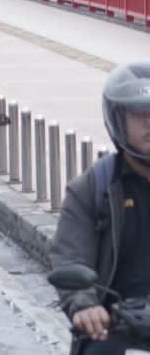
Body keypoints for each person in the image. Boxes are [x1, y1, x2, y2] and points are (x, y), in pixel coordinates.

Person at [50, 62, 150, 353]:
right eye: (139, 115)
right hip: (116, 326)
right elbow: (71, 255)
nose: (149, 123)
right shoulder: (93, 188)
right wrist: (84, 304)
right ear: (119, 119)